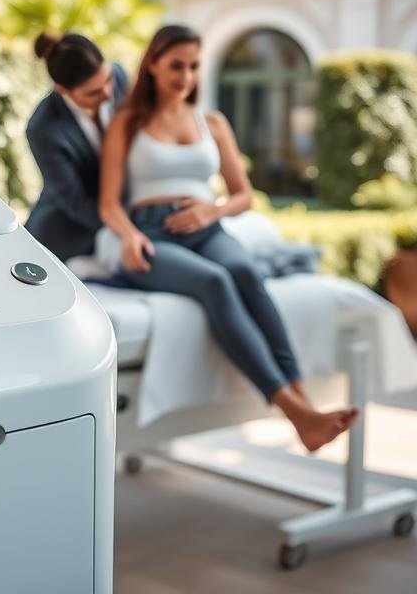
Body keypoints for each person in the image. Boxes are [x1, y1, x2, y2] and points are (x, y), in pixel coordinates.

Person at [99, 24, 357, 452]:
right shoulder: (127, 123)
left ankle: (303, 401)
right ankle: (295, 412)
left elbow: (244, 195)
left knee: (243, 270)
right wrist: (127, 237)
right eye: (176, 65)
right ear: (154, 66)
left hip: (207, 226)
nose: (186, 76)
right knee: (214, 282)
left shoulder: (213, 123)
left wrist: (211, 209)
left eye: (194, 66)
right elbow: (108, 203)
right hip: (152, 233)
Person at [25, 32, 129, 261]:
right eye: (93, 92)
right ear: (62, 89)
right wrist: (126, 226)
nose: (108, 93)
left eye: (107, 80)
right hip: (67, 229)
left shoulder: (119, 77)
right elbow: (77, 203)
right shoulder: (43, 128)